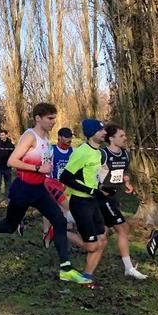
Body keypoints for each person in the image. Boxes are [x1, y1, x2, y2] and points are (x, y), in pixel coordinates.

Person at [0, 103, 90, 285]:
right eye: (50, 118)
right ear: (38, 118)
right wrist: (38, 168)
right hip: (22, 189)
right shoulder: (30, 136)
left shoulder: (45, 137)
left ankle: (66, 269)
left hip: (39, 189)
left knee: (60, 221)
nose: (53, 122)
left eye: (54, 118)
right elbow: (12, 161)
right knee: (9, 226)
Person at [59, 119, 110, 287]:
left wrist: (101, 188)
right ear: (91, 133)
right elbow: (65, 178)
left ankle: (86, 277)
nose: (104, 133)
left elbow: (92, 176)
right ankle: (58, 231)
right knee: (91, 246)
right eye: (100, 130)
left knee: (102, 240)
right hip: (80, 202)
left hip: (93, 201)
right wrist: (90, 190)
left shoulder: (98, 153)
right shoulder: (81, 152)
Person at [95, 123, 146, 280]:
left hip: (115, 197)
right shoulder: (102, 154)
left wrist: (127, 182)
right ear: (111, 138)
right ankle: (128, 268)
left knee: (101, 235)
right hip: (103, 197)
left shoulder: (125, 154)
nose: (125, 138)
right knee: (123, 228)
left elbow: (124, 171)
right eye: (121, 136)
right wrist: (99, 187)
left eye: (125, 135)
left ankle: (88, 265)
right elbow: (90, 173)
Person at [0, 130, 14, 205]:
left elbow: (13, 155)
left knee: (8, 184)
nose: (1, 136)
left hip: (7, 167)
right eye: (0, 135)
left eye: (2, 135)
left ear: (6, 135)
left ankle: (7, 200)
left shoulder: (11, 145)